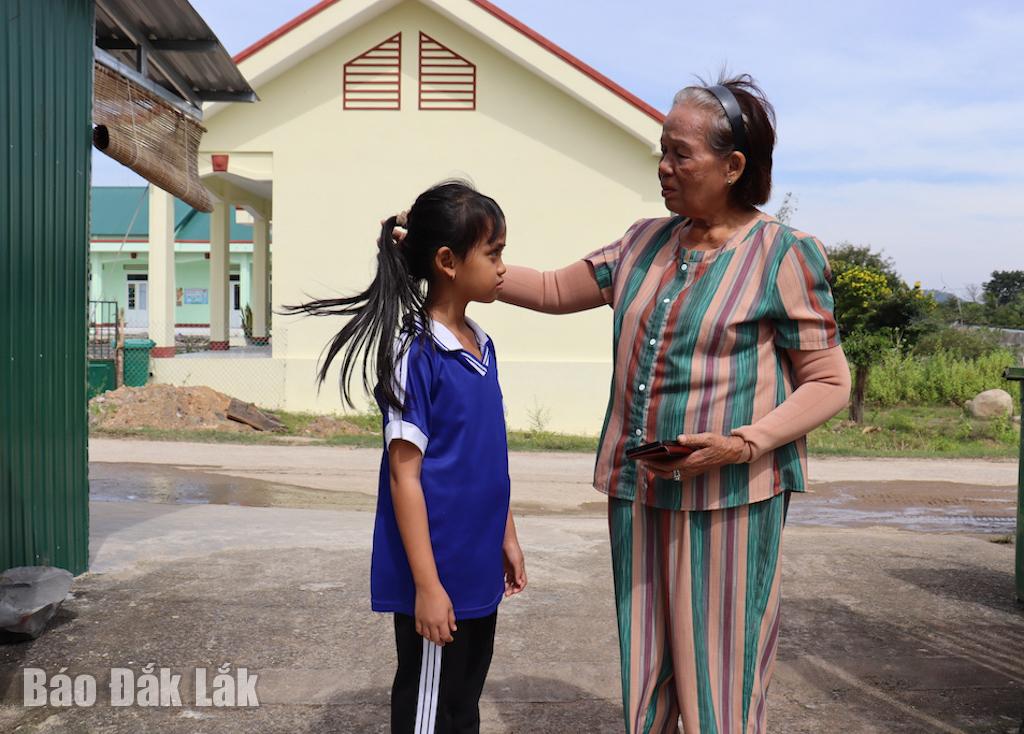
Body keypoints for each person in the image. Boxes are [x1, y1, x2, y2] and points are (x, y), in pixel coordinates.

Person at [497, 76, 851, 732]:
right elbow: (550, 288)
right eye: (662, 150)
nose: (663, 166)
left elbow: (829, 381)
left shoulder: (782, 255)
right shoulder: (642, 243)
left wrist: (743, 443)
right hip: (640, 491)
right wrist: (452, 260)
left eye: (680, 154)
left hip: (730, 499)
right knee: (647, 668)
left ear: (733, 166)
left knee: (721, 678)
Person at [285, 181, 527, 734]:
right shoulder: (415, 354)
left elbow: (487, 458)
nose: (502, 267)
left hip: (476, 568)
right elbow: (404, 477)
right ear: (447, 262)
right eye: (493, 254)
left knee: (462, 707)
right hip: (439, 574)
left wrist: (507, 534)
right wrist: (427, 586)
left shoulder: (482, 346)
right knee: (428, 714)